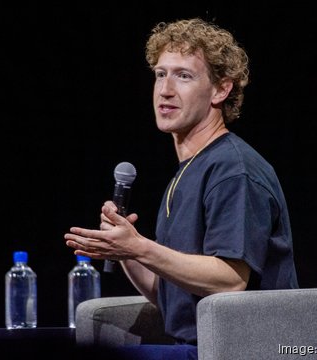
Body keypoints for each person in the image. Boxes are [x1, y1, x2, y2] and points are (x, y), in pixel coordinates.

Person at [64, 17, 298, 359]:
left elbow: (229, 281)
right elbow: (171, 296)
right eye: (160, 74)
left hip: (242, 349)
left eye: (183, 76)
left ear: (221, 89)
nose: (165, 90)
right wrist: (127, 249)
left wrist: (141, 247)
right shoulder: (188, 171)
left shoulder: (234, 170)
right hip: (196, 347)